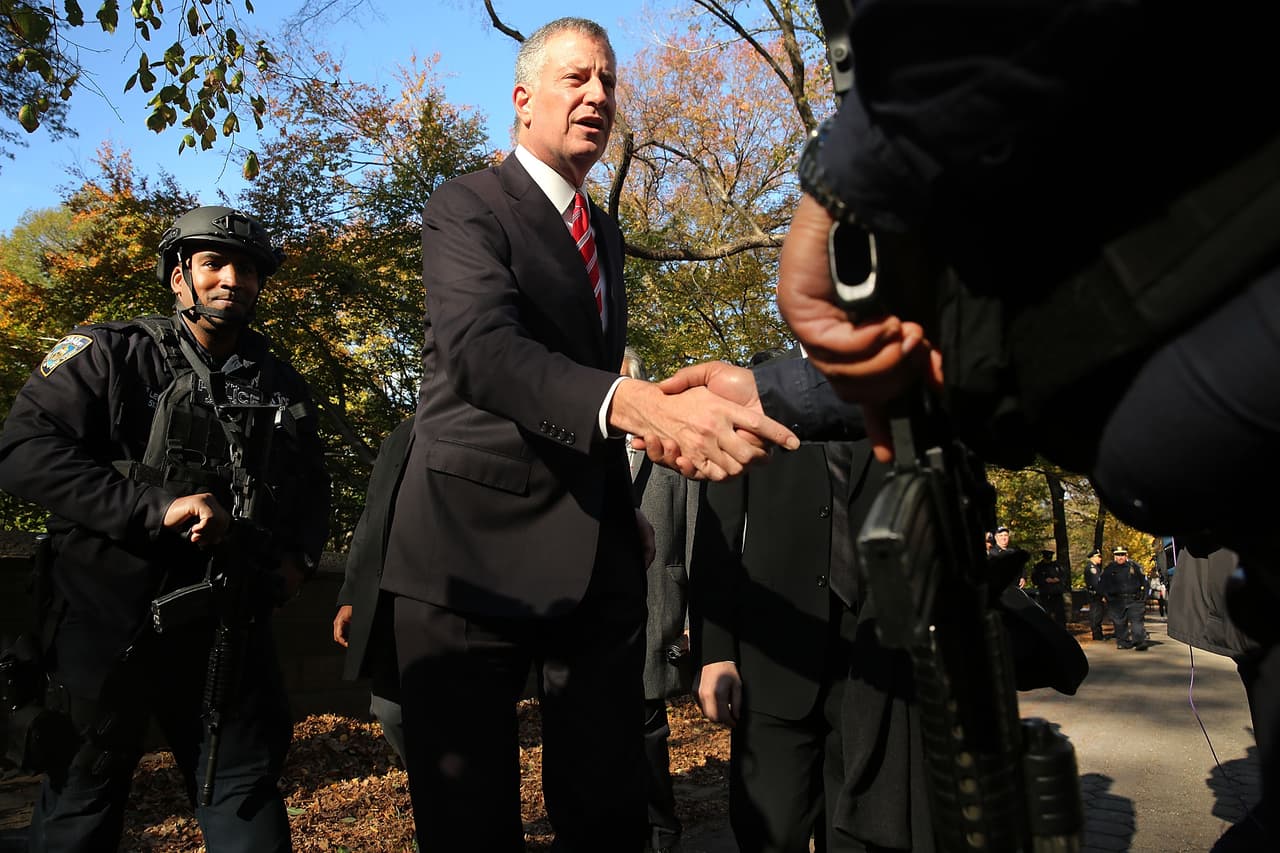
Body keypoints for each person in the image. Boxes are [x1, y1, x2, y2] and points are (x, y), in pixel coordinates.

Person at [378, 17, 797, 852]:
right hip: (469, 554)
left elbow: (576, 387)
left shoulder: (602, 232)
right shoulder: (466, 205)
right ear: (523, 97)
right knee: (472, 820)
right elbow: (483, 354)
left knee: (609, 805)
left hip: (598, 553)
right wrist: (639, 407)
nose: (599, 96)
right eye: (577, 79)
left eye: (608, 81)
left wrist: (619, 500)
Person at [0, 205, 330, 852]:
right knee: (78, 810)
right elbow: (23, 452)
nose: (231, 278)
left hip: (224, 632)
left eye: (247, 269)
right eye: (212, 263)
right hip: (104, 626)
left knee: (245, 803)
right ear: (178, 276)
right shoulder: (110, 354)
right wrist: (154, 507)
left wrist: (298, 560)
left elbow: (310, 487)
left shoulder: (277, 381)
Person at [691, 367, 925, 853]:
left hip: (874, 666)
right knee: (770, 834)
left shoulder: (895, 399)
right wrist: (715, 653)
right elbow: (719, 542)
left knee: (863, 834)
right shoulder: (751, 396)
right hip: (772, 663)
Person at [622, 348, 699, 853]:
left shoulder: (672, 453)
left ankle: (661, 828)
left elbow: (694, 538)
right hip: (597, 616)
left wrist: (693, 620)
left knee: (649, 727)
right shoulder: (586, 452)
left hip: (657, 609)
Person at [332, 416, 415, 764]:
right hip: (388, 602)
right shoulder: (400, 436)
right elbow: (371, 517)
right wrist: (350, 595)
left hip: (450, 601)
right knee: (388, 707)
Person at [1099, 546, 1149, 651]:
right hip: (1116, 601)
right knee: (1119, 623)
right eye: (1117, 555)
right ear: (1114, 556)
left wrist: (1144, 598)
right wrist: (1107, 597)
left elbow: (1145, 582)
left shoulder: (1134, 567)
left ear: (1126, 555)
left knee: (1137, 622)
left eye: (1122, 555)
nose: (1120, 557)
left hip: (1134, 600)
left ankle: (1139, 641)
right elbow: (1102, 584)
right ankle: (1123, 642)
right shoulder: (1109, 569)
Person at [1030, 549, 1068, 627]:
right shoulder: (1039, 567)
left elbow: (1063, 576)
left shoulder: (1057, 566)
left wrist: (1058, 579)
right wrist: (1045, 580)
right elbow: (1035, 579)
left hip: (1057, 592)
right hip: (1045, 593)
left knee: (1060, 613)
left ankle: (1061, 628)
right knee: (1046, 612)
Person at [1083, 549, 1107, 641]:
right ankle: (1097, 635)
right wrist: (1103, 594)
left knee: (1099, 614)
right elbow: (1096, 584)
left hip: (1097, 595)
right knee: (1096, 615)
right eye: (1098, 557)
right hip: (1095, 595)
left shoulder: (1095, 568)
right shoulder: (1091, 568)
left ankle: (1098, 634)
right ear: (1093, 557)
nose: (1100, 559)